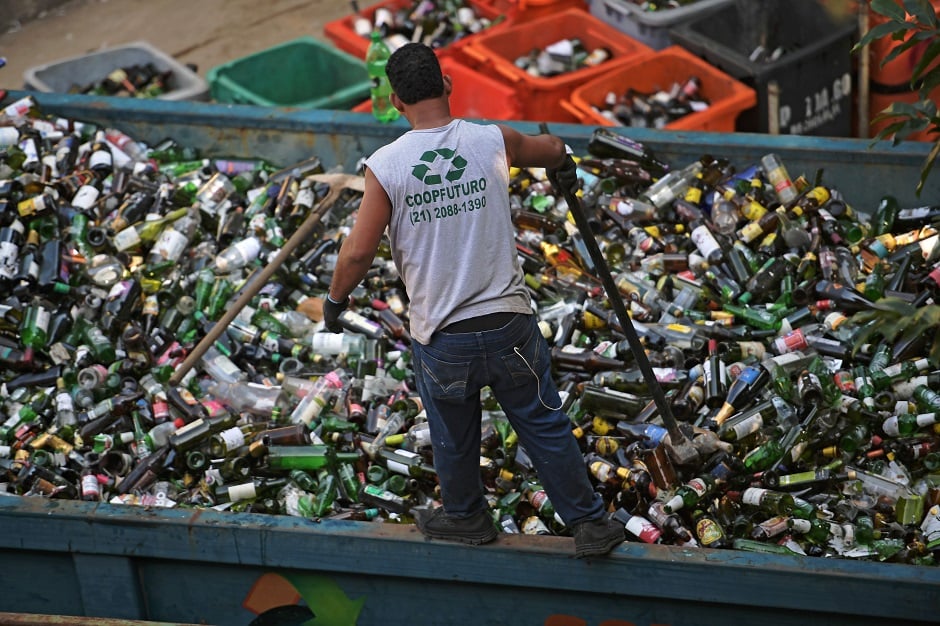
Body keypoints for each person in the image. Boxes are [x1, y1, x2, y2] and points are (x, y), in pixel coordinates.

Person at [323, 42, 624, 558]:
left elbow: (356, 254)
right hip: (509, 325)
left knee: (452, 426)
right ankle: (590, 523)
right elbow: (546, 149)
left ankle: (465, 515)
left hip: (444, 337)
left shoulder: (387, 166)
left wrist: (334, 302)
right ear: (447, 85)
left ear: (395, 101)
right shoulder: (491, 141)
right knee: (542, 420)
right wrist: (562, 159)